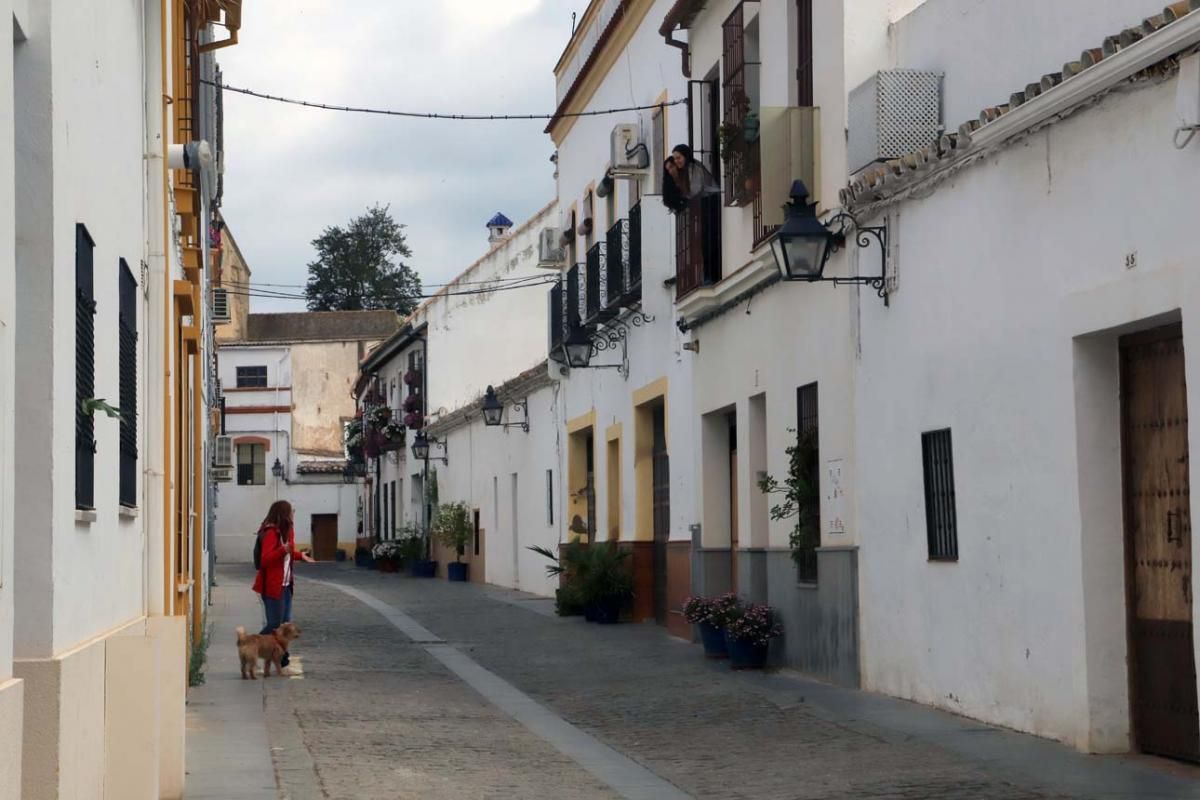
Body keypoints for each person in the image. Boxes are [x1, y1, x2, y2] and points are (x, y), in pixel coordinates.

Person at [252, 500, 313, 667]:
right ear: (283, 514)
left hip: (286, 585)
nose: (293, 515)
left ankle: (282, 656)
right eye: (290, 512)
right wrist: (282, 550)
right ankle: (251, 645)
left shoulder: (288, 531)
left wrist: (301, 556)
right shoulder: (271, 532)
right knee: (274, 624)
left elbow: (289, 551)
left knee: (285, 624)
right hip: (272, 586)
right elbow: (265, 560)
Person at [661, 143, 720, 214]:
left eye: (678, 158)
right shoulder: (684, 170)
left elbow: (696, 189)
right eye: (674, 159)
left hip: (712, 199)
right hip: (703, 202)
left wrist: (683, 200)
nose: (676, 161)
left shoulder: (694, 167)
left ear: (686, 156)